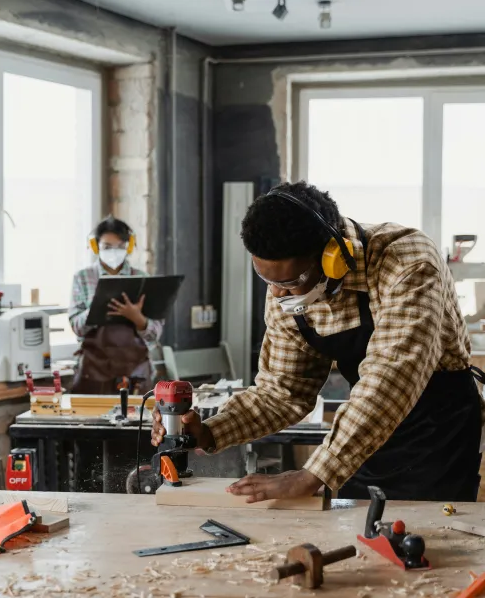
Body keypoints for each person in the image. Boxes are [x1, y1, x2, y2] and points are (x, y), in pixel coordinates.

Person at [152, 181, 485, 502]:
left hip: (436, 430)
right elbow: (283, 392)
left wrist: (313, 473)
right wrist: (209, 432)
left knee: (433, 539)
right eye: (267, 278)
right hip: (360, 428)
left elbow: (390, 378)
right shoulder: (285, 292)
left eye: (292, 280)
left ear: (332, 256)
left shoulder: (407, 261)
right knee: (364, 532)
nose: (278, 293)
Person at [70, 216, 162, 395]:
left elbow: (155, 335)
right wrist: (97, 308)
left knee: (138, 421)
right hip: (93, 373)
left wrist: (138, 319)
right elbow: (77, 328)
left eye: (120, 247)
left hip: (136, 373)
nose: (114, 252)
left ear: (128, 246)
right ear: (96, 247)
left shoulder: (142, 279)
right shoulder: (82, 278)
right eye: (107, 247)